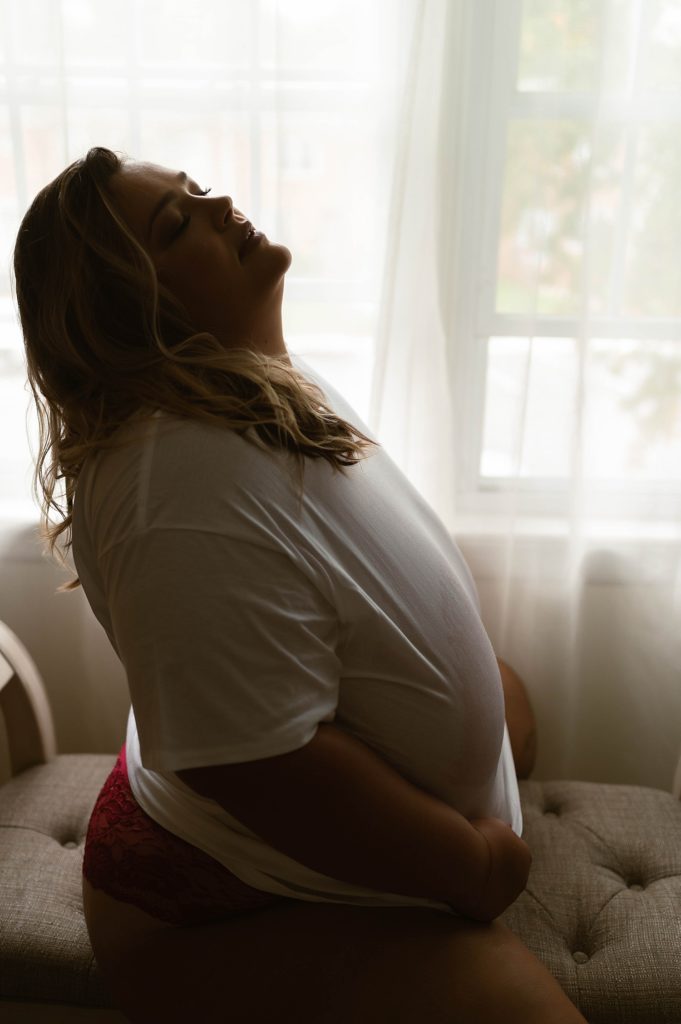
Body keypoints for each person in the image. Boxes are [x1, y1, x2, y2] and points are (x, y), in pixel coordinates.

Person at [13, 146, 585, 1024]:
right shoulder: (172, 488)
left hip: (272, 846)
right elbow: (260, 766)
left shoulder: (241, 381)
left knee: (514, 705)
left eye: (196, 190)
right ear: (136, 319)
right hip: (222, 909)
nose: (219, 204)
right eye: (178, 222)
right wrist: (469, 866)